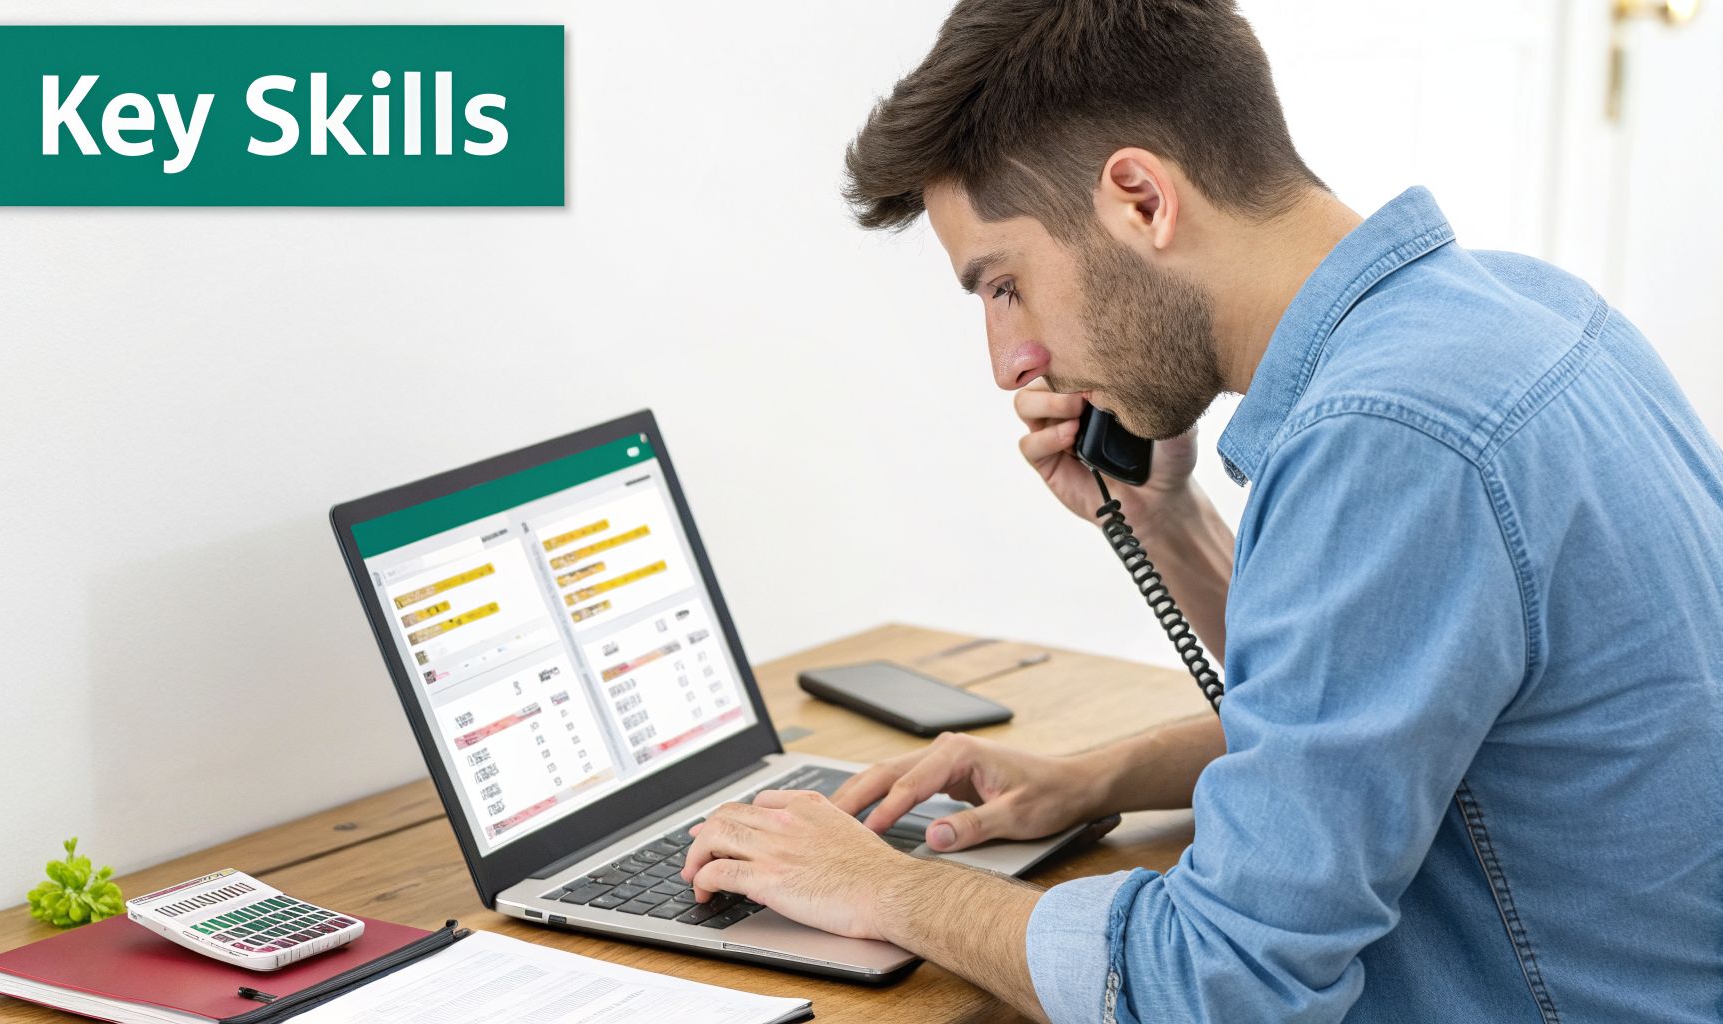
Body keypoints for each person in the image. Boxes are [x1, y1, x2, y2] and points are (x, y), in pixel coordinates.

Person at [679, 1, 1723, 1021]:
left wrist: (887, 889)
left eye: (1002, 286)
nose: (1009, 363)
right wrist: (1104, 742)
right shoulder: (1519, 307)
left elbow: (1221, 985)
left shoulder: (1386, 434)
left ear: (1139, 198)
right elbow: (1376, 710)